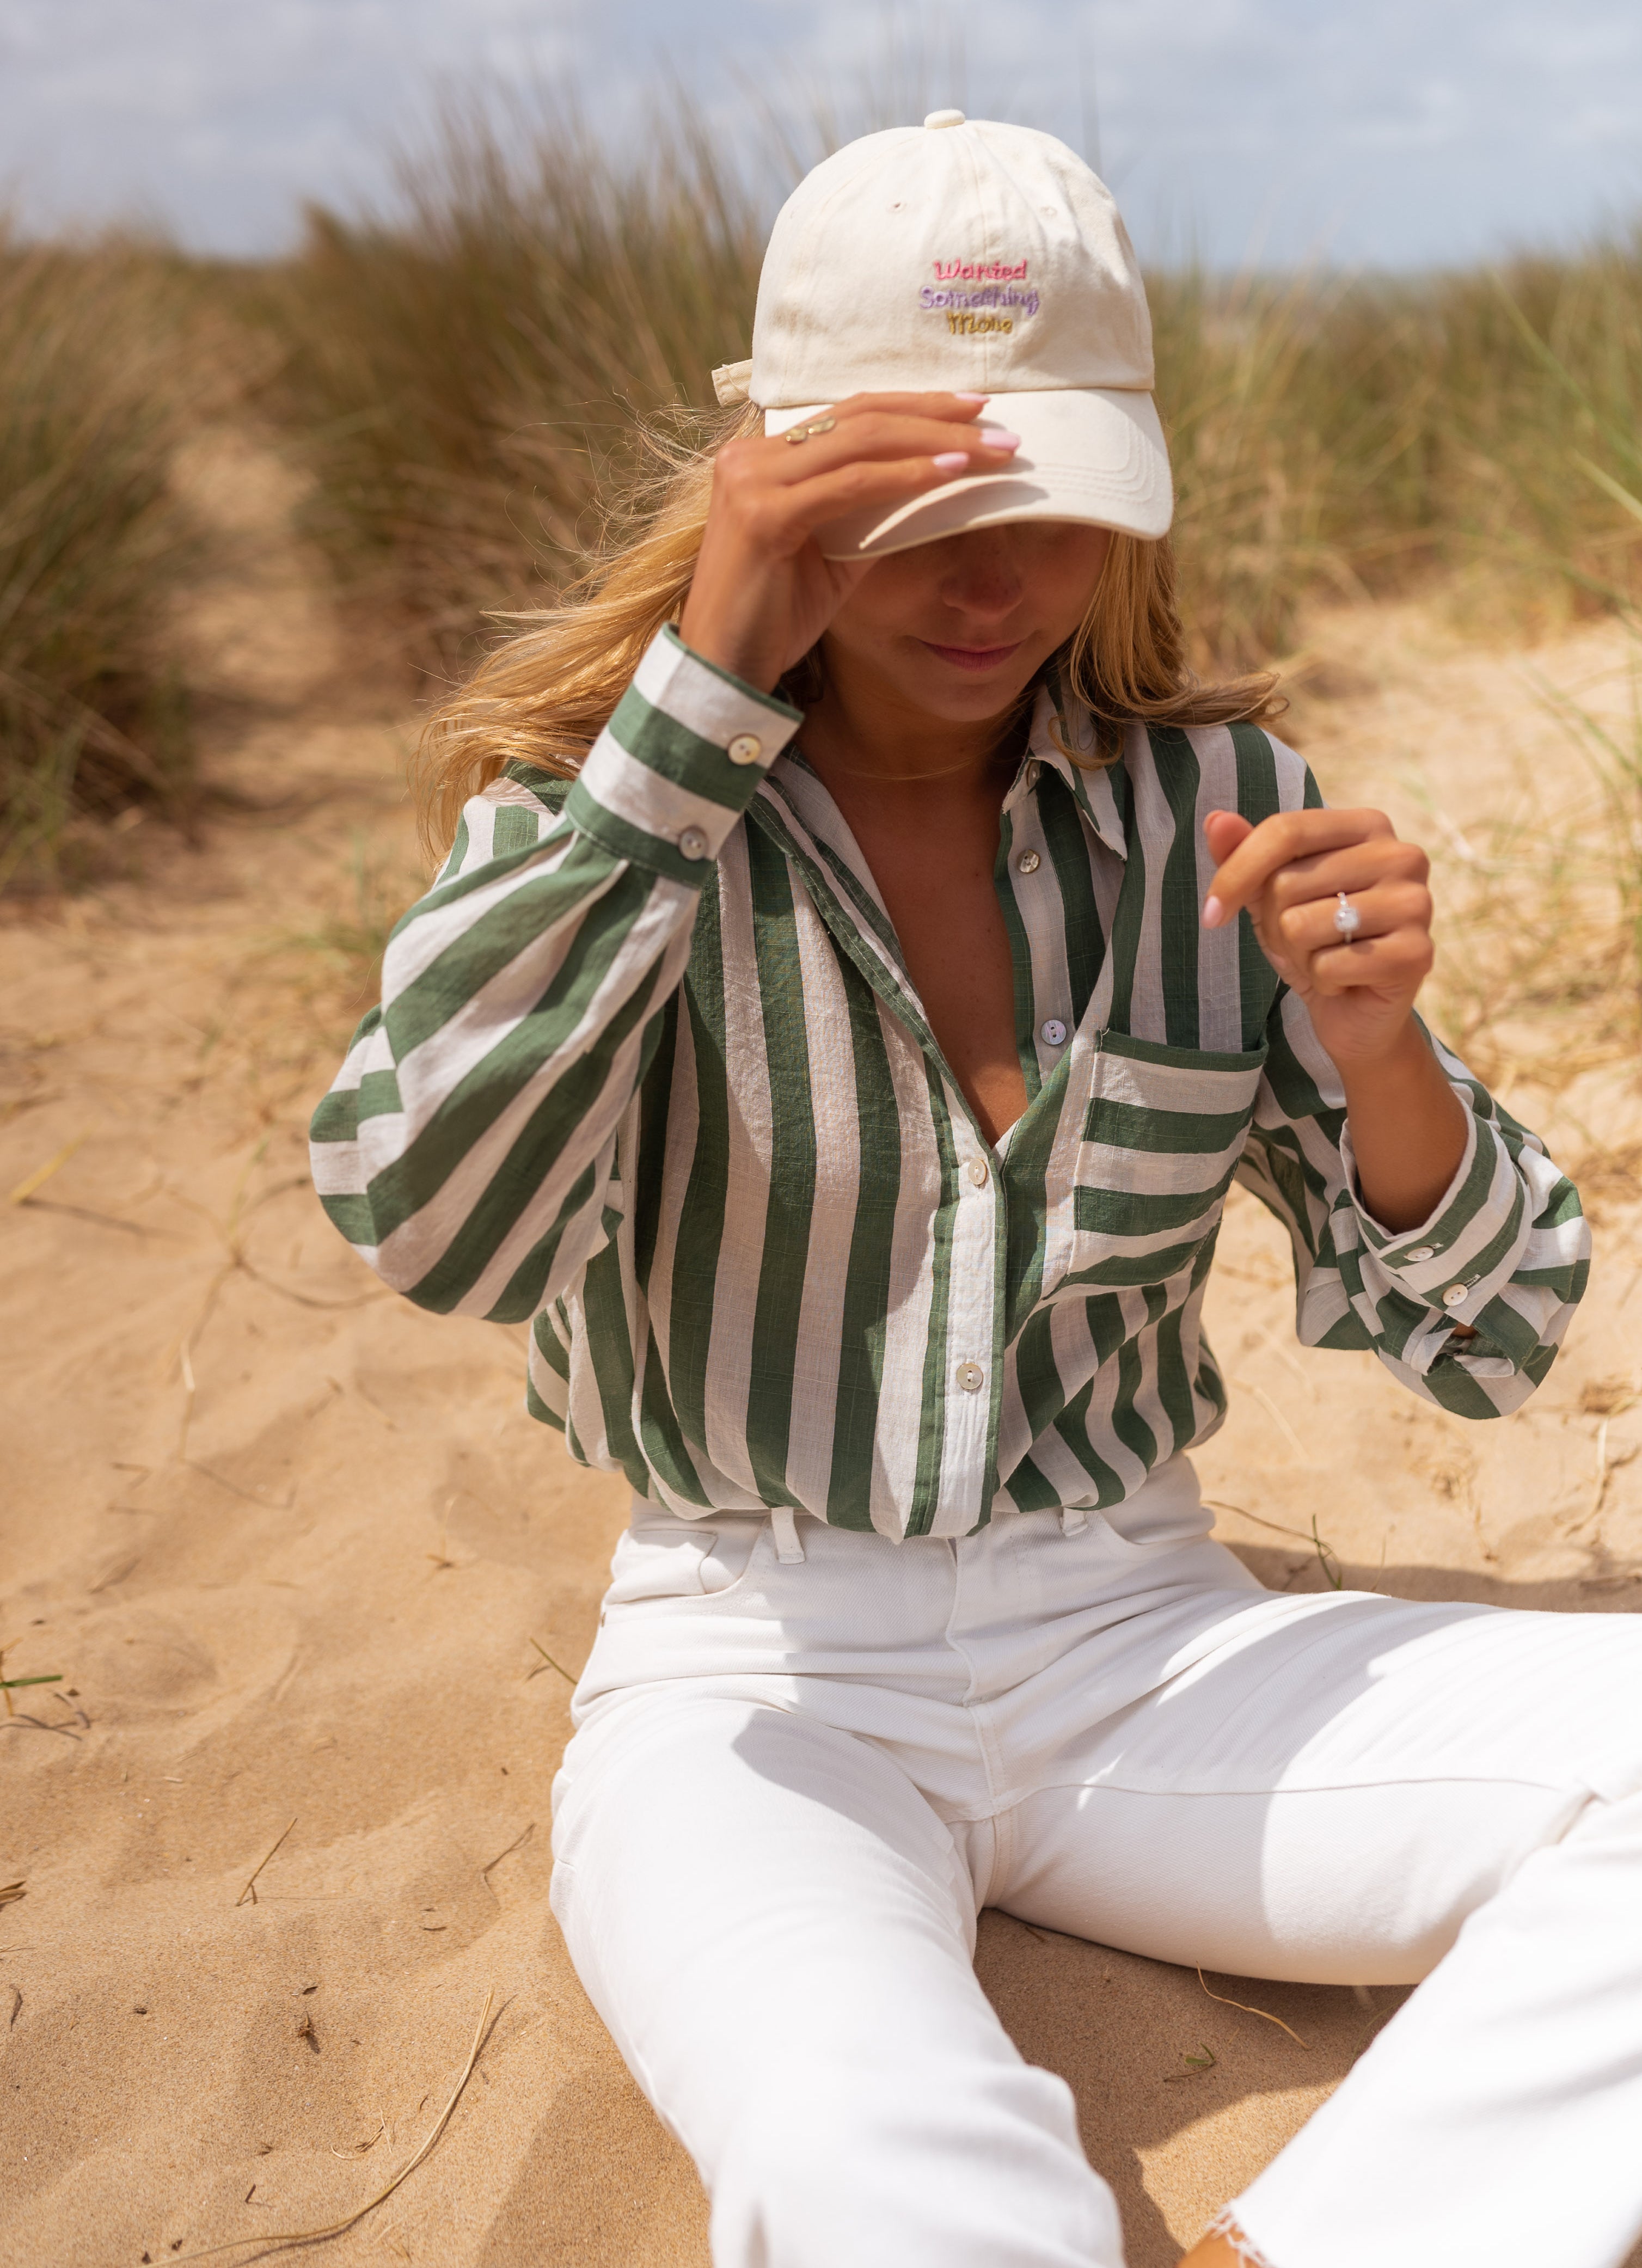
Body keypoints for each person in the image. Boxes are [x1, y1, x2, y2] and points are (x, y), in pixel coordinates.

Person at [309, 113, 1640, 2268]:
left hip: (1138, 1639)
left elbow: (1490, 1341)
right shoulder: (591, 816)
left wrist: (1380, 1046)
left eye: (1051, 502)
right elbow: (425, 1218)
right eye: (921, 503)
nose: (990, 580)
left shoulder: (1215, 809)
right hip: (757, 1678)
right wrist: (692, 713)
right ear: (774, 480)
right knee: (875, 2154)